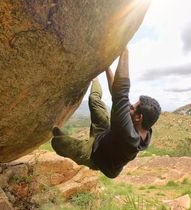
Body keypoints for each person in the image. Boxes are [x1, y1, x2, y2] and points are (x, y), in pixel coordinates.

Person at [51, 48, 161, 178]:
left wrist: (124, 51)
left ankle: (56, 134)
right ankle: (95, 81)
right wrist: (106, 67)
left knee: (59, 143)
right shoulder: (144, 126)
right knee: (94, 100)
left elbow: (121, 93)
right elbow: (117, 95)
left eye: (133, 107)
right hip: (106, 134)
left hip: (96, 156)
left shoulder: (129, 137)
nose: (130, 106)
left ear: (139, 117)